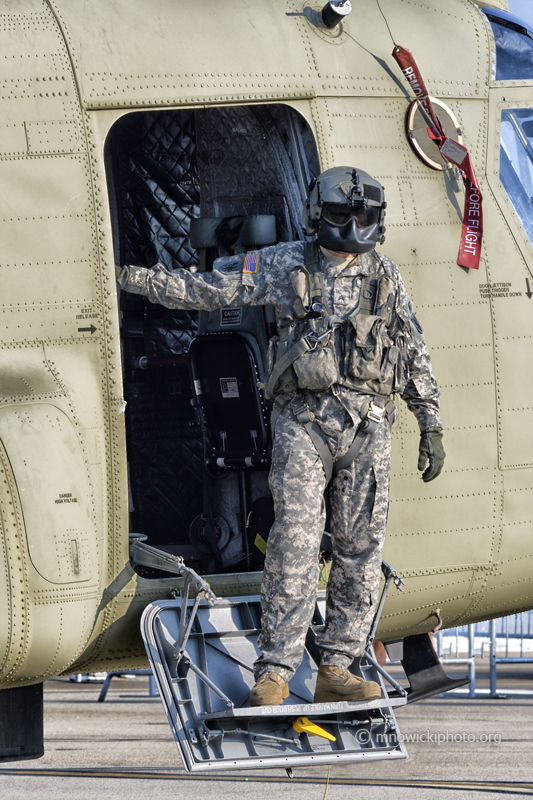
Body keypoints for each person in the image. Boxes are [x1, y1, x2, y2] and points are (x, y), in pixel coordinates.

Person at [116, 166, 445, 707]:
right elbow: (211, 286)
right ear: (320, 214)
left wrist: (429, 419)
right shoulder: (283, 263)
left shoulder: (384, 276)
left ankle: (337, 666)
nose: (354, 224)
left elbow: (411, 350)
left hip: (368, 427)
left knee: (360, 551)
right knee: (293, 546)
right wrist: (136, 279)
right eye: (344, 214)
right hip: (305, 424)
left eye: (363, 215)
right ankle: (274, 672)